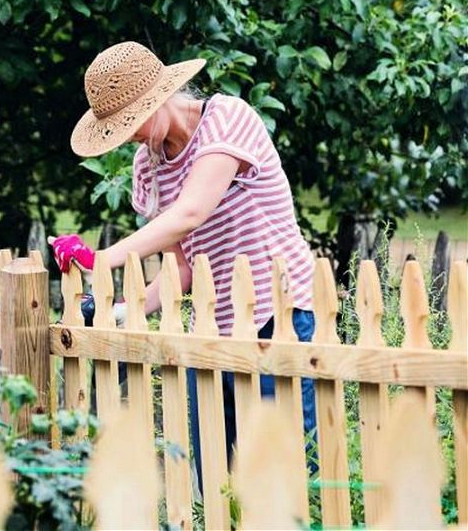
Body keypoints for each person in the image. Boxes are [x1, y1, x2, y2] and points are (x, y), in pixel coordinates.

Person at [50, 41, 316, 484]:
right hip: (210, 331)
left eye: (129, 123)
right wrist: (122, 312)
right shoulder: (149, 165)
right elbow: (183, 269)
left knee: (282, 474)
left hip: (276, 317)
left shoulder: (226, 120)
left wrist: (99, 260)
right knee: (214, 477)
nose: (128, 136)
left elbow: (190, 213)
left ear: (157, 99)